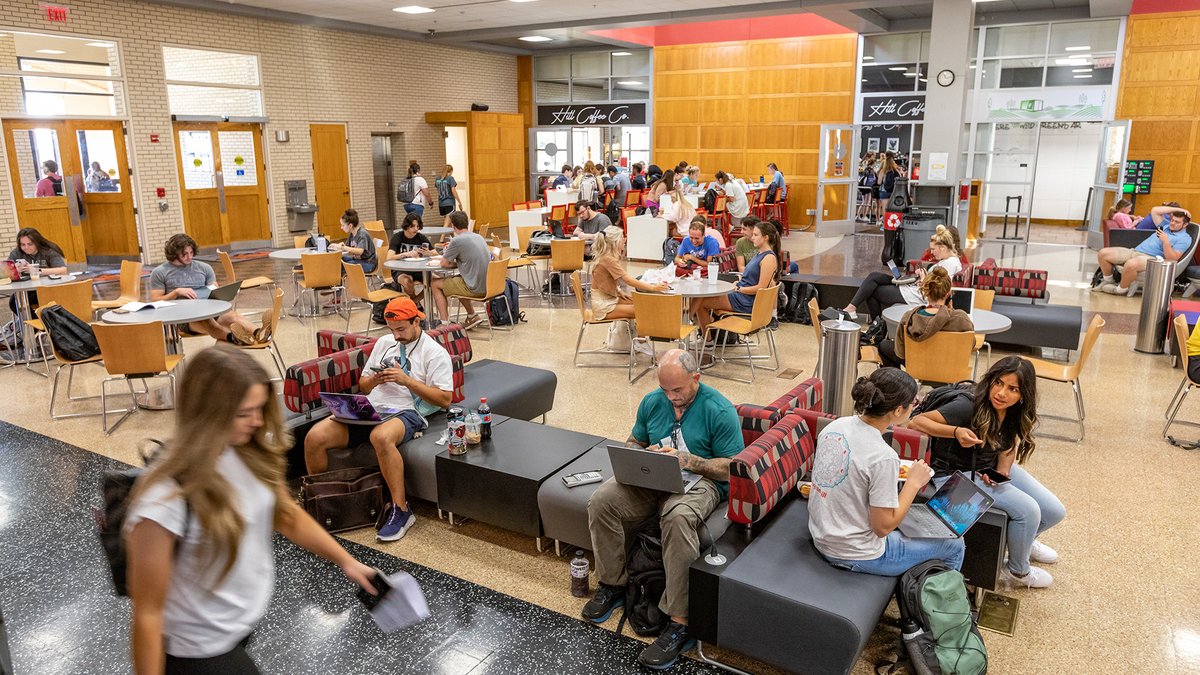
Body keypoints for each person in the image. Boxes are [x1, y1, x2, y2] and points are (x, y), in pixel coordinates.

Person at [124, 345, 379, 673]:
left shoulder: (241, 452)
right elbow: (147, 615)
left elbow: (284, 514)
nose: (257, 421)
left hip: (237, 631)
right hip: (199, 654)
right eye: (245, 413)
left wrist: (347, 562)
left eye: (259, 409)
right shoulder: (163, 500)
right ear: (207, 413)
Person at [583, 349, 742, 670]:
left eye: (678, 390)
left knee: (677, 516)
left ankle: (680, 620)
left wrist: (687, 460)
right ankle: (613, 584)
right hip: (653, 477)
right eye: (665, 389)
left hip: (702, 482)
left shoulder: (718, 410)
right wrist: (641, 455)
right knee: (601, 501)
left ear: (696, 379)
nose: (671, 397)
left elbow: (731, 468)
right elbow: (634, 440)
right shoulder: (653, 401)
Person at [907, 356, 1065, 589]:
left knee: (1054, 510)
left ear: (1023, 395)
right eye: (998, 383)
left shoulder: (1014, 412)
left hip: (984, 469)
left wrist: (1000, 472)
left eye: (1013, 389)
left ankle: (1024, 540)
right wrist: (956, 431)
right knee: (1029, 510)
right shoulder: (968, 405)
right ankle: (1017, 572)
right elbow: (915, 422)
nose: (1001, 393)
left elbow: (1009, 447)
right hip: (952, 475)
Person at [304, 297, 453, 541]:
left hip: (408, 411)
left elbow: (445, 399)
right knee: (315, 437)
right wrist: (375, 380)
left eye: (401, 329)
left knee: (381, 436)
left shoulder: (435, 353)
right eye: (392, 330)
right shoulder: (384, 343)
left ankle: (401, 509)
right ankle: (324, 501)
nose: (396, 336)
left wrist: (406, 381)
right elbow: (363, 385)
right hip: (372, 407)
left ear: (417, 322)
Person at [810, 367, 964, 576]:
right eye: (914, 404)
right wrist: (913, 483)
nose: (914, 407)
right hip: (854, 553)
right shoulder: (883, 457)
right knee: (955, 544)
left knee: (914, 521)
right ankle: (939, 602)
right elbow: (882, 528)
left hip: (823, 534)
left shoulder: (835, 426)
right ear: (898, 411)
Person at [149, 234, 261, 345]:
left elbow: (214, 289)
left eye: (191, 253)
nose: (189, 257)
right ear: (174, 253)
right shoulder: (160, 272)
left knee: (233, 316)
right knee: (208, 322)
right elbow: (155, 301)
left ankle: (260, 333)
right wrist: (176, 292)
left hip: (208, 310)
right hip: (184, 318)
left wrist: (217, 293)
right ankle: (234, 338)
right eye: (184, 254)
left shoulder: (204, 268)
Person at [843, 224, 963, 320]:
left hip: (915, 295)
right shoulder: (948, 261)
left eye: (933, 249)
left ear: (942, 248)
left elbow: (936, 290)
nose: (932, 252)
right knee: (874, 276)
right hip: (913, 288)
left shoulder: (950, 264)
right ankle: (854, 310)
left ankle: (875, 323)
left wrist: (923, 279)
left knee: (872, 291)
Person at [692, 219, 779, 338]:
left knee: (701, 301)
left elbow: (761, 288)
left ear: (766, 238)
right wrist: (739, 283)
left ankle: (703, 336)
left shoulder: (769, 258)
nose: (752, 238)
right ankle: (703, 334)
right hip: (741, 295)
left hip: (745, 301)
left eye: (756, 235)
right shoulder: (760, 254)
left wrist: (739, 289)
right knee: (701, 297)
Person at [876, 267, 973, 368]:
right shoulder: (961, 319)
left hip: (918, 366)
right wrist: (951, 310)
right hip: (948, 368)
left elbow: (900, 352)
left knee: (884, 345)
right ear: (948, 294)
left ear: (926, 291)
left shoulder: (909, 318)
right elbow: (970, 346)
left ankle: (900, 382)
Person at [1094, 208, 1193, 295]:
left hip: (1152, 258)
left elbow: (1172, 258)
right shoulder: (1166, 226)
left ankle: (1121, 289)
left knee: (1130, 264)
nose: (1172, 223)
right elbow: (1155, 210)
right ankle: (1108, 281)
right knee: (1103, 254)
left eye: (1177, 222)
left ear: (1185, 224)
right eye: (1172, 220)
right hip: (1134, 251)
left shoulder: (1185, 238)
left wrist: (1166, 242)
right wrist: (1179, 210)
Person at [590, 226, 669, 320]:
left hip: (607, 299)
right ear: (615, 242)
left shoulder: (607, 257)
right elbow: (628, 280)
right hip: (603, 305)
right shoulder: (609, 260)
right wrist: (653, 287)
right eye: (622, 237)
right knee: (644, 310)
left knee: (640, 303)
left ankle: (626, 333)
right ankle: (637, 333)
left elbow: (603, 279)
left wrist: (619, 291)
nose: (625, 240)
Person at [430, 211, 489, 329]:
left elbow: (444, 263)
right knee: (459, 280)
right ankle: (472, 315)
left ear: (453, 226)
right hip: (489, 285)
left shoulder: (457, 241)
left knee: (434, 284)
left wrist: (455, 263)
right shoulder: (478, 237)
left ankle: (444, 323)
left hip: (475, 287)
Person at [387, 211, 433, 299]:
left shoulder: (420, 237)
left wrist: (429, 253)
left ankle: (415, 302)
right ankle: (416, 305)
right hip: (400, 269)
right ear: (407, 226)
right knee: (407, 283)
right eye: (413, 226)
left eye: (418, 226)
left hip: (419, 269)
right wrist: (406, 254)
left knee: (435, 282)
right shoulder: (397, 237)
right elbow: (388, 257)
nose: (416, 229)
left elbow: (435, 253)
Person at [328, 208, 376, 274]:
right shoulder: (352, 234)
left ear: (350, 225)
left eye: (343, 225)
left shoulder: (362, 234)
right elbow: (347, 247)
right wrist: (338, 245)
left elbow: (360, 251)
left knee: (342, 266)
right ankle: (337, 283)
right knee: (338, 260)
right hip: (359, 260)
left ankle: (339, 283)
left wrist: (343, 247)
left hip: (368, 263)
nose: (341, 227)